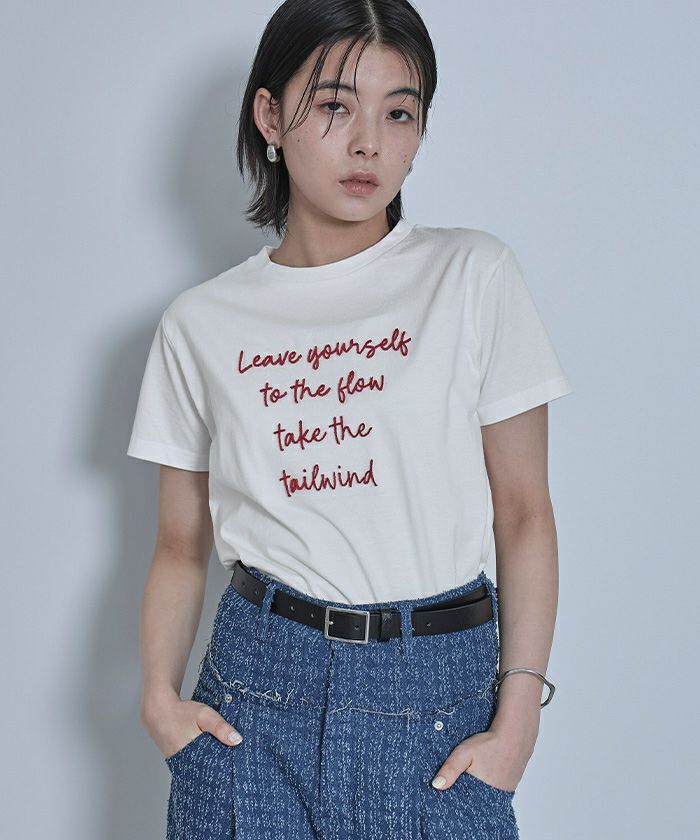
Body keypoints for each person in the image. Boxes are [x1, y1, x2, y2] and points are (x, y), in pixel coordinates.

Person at [127, 1, 573, 838]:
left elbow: (524, 513)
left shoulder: (472, 275)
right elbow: (179, 546)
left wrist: (520, 715)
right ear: (269, 117)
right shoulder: (201, 322)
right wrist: (159, 700)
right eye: (335, 106)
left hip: (438, 705)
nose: (368, 142)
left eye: (398, 112)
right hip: (254, 699)